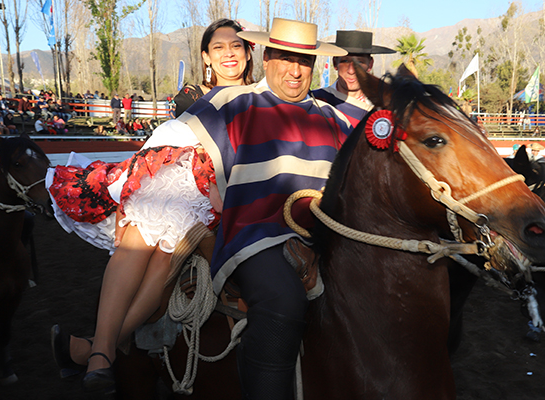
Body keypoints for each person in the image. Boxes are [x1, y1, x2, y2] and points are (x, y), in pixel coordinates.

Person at [50, 17, 349, 398]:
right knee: (151, 239)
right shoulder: (225, 102)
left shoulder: (326, 115)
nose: (295, 69)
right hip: (223, 209)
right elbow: (166, 142)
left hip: (275, 216)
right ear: (269, 56)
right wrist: (134, 189)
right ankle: (106, 349)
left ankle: (96, 349)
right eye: (286, 57)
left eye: (304, 61)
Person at [312, 30, 395, 126]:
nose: (351, 71)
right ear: (335, 63)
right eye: (345, 61)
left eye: (359, 62)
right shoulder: (316, 101)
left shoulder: (382, 108)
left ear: (370, 64)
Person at [173, 18, 255, 116]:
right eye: (219, 47)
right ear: (206, 57)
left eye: (236, 46)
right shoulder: (192, 99)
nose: (229, 54)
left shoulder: (265, 97)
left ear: (248, 53)